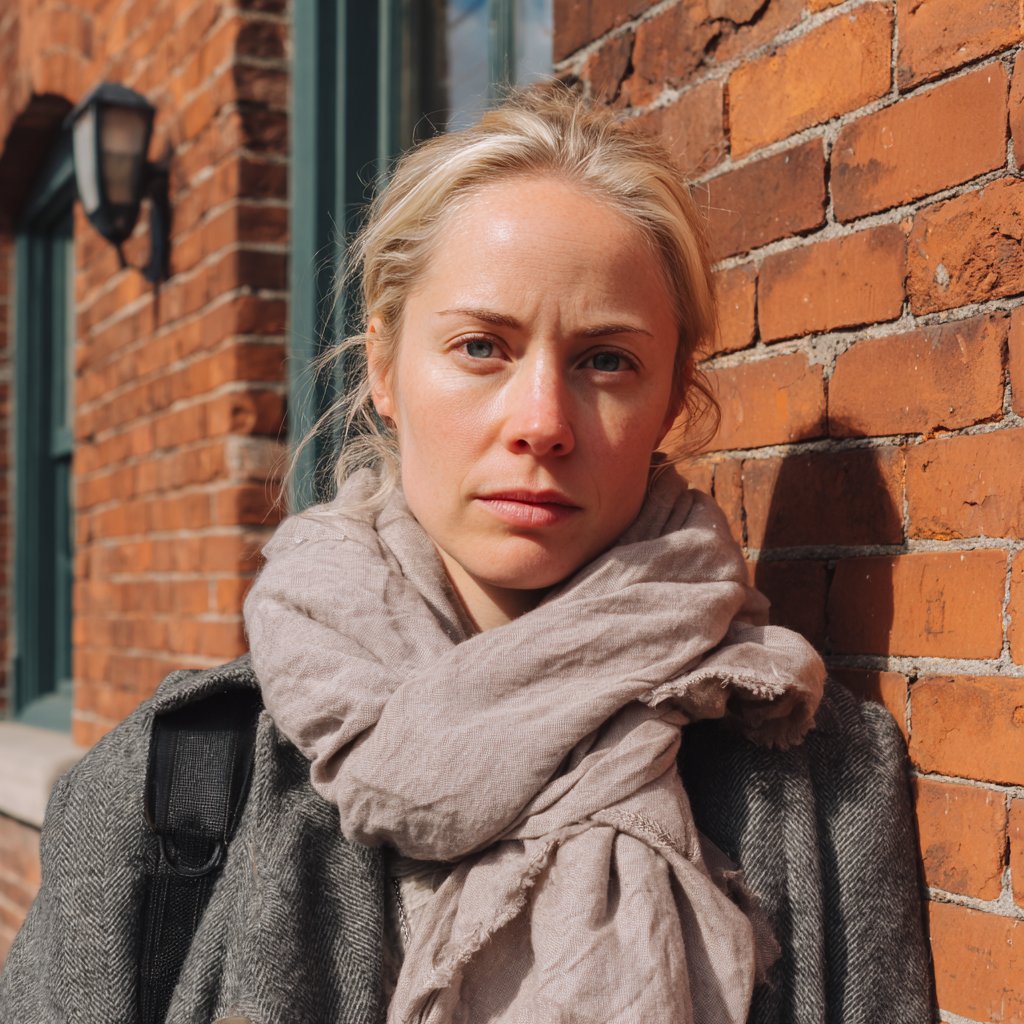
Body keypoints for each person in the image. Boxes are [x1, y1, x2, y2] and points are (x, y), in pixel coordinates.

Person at [0, 84, 933, 1024]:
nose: (542, 421)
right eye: (482, 346)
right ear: (383, 367)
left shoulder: (822, 780)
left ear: (671, 400)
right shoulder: (172, 783)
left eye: (607, 360)